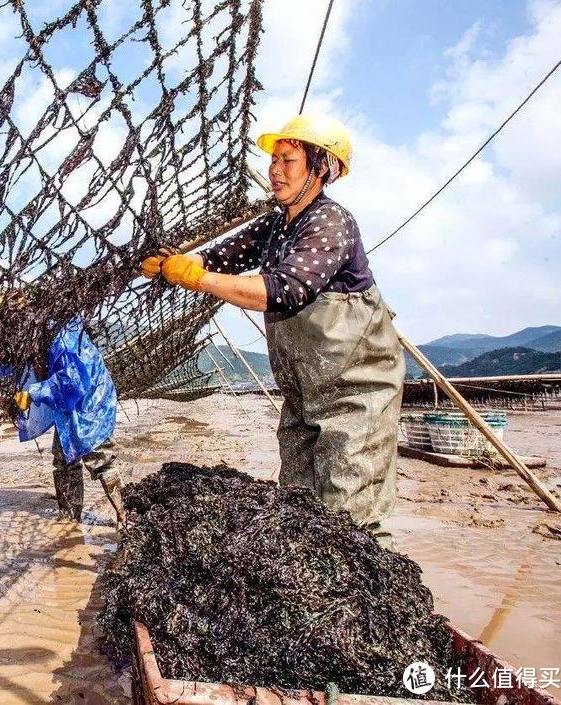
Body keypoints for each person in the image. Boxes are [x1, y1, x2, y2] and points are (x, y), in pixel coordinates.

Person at [141, 114, 405, 548]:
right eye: (274, 160)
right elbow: (222, 257)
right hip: (304, 393)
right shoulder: (274, 225)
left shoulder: (331, 222)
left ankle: (374, 605)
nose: (276, 170)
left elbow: (284, 289)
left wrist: (195, 279)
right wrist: (177, 265)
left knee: (350, 515)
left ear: (322, 168)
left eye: (289, 160)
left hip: (356, 392)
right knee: (298, 509)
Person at [12, 317, 126, 526]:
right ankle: (69, 519)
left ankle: (125, 516)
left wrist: (33, 393)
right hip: (69, 408)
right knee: (64, 459)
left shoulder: (61, 338)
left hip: (89, 403)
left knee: (100, 458)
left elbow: (72, 381)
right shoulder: (46, 334)